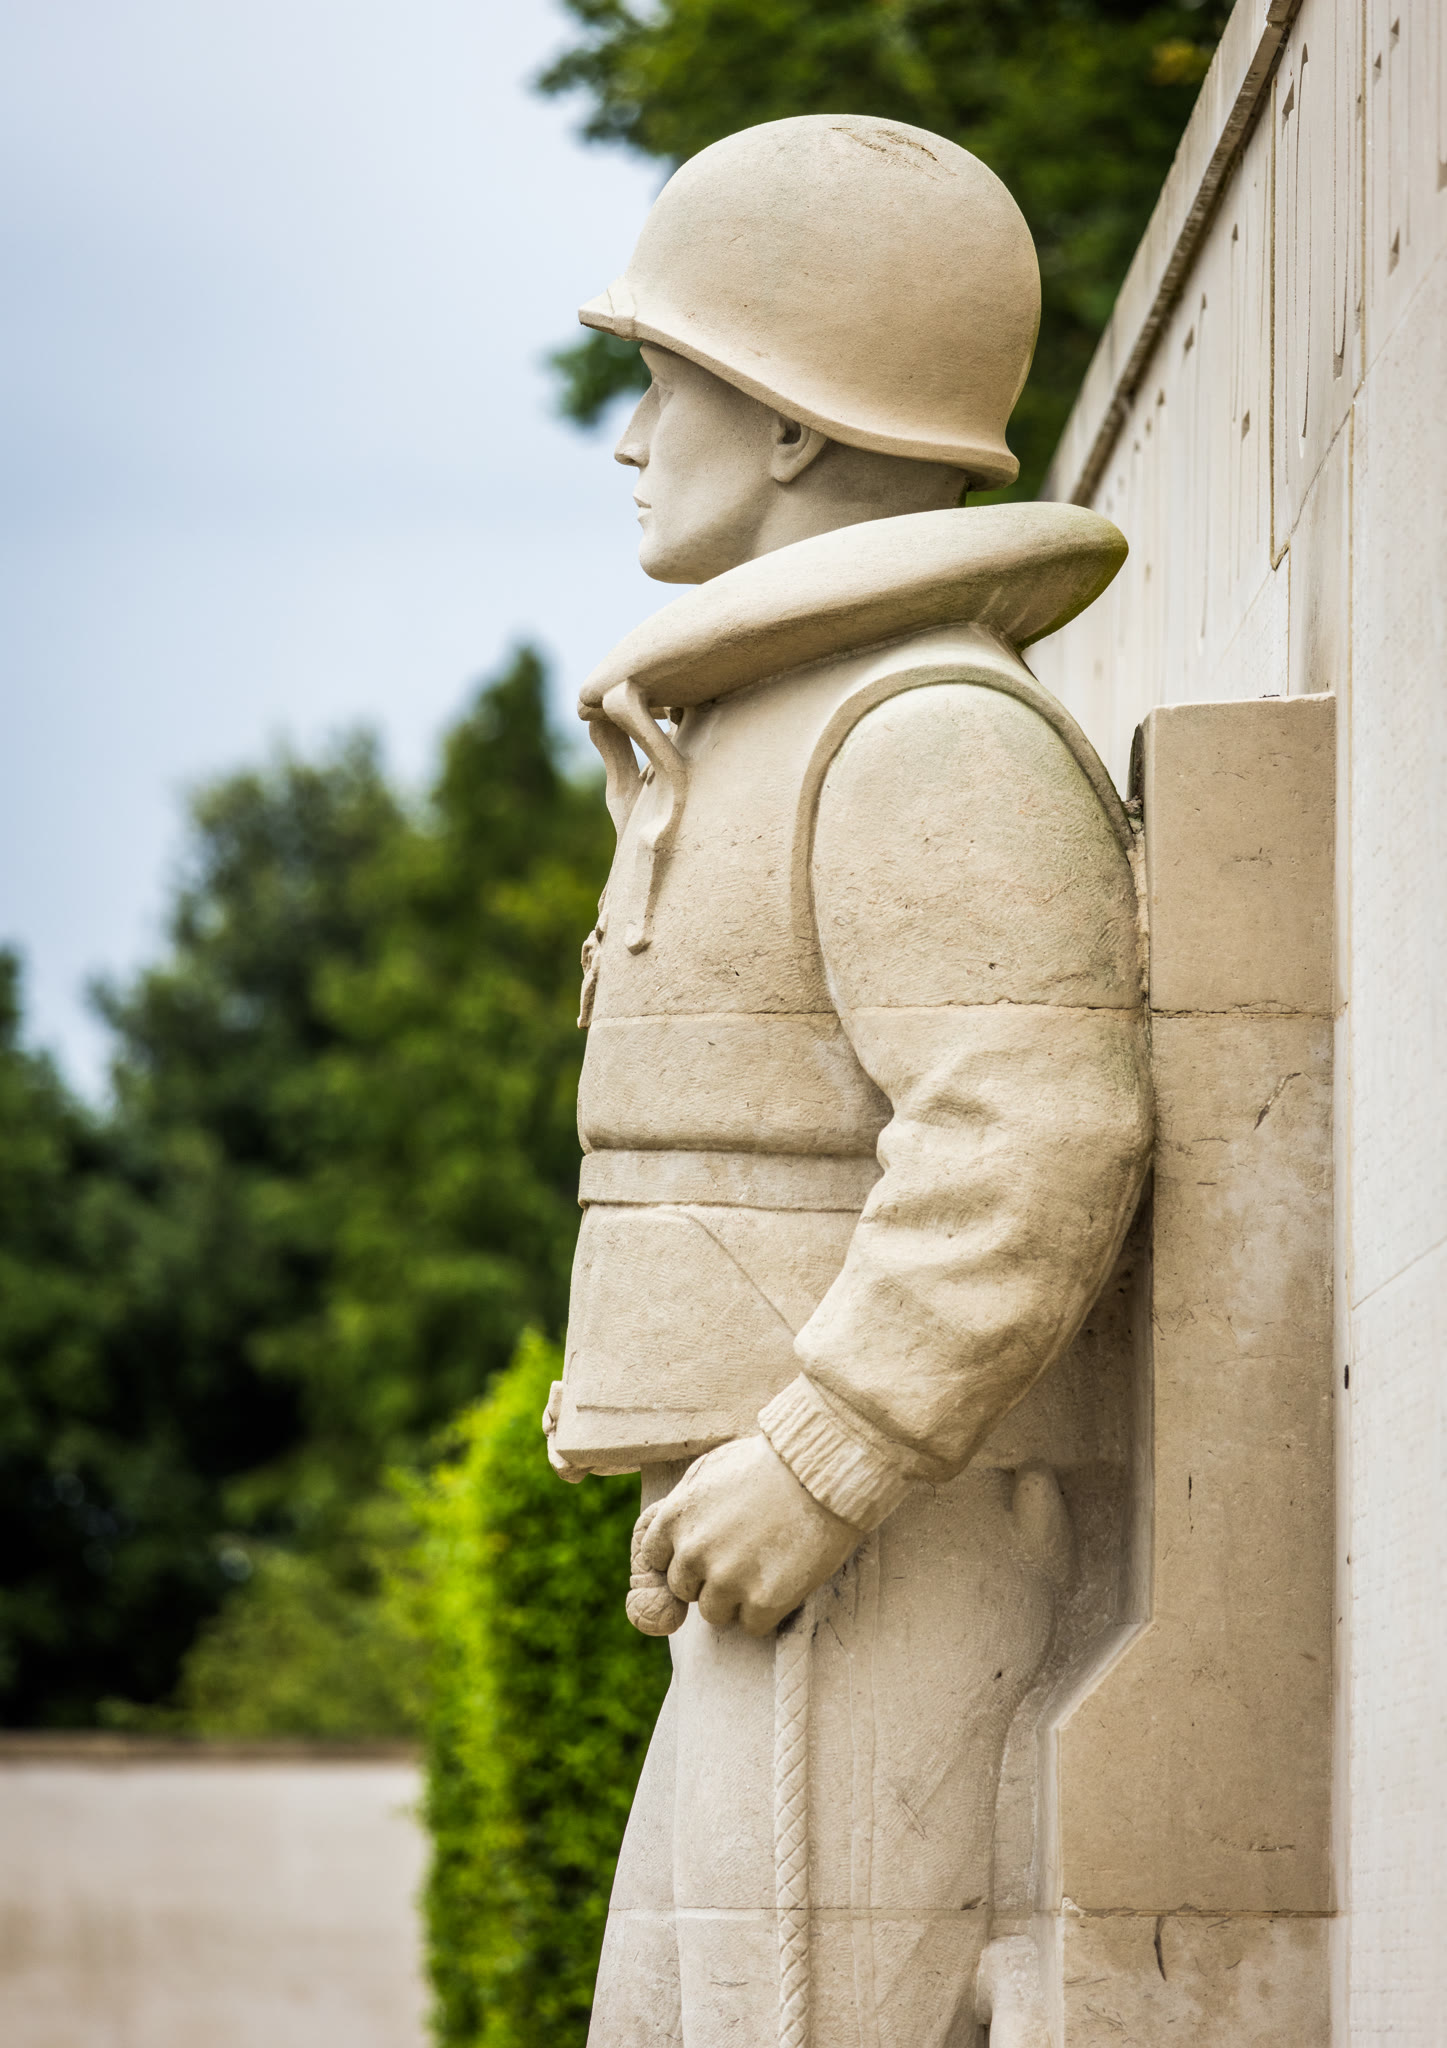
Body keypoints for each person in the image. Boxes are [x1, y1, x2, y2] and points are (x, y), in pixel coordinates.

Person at [542, 114, 1153, 2048]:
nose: (633, 440)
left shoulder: (923, 735)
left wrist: (823, 1457)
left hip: (885, 1537)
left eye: (664, 383)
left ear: (795, 427)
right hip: (792, 1538)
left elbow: (1034, 1132)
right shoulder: (794, 725)